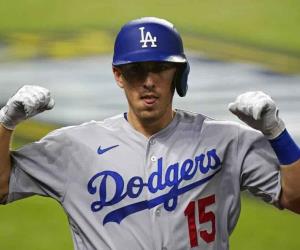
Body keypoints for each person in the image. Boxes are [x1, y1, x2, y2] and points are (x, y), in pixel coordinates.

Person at [0, 17, 299, 250]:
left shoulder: (228, 141)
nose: (148, 81)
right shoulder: (73, 147)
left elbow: (295, 199)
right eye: (136, 70)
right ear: (118, 75)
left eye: (159, 67)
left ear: (179, 74)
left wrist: (277, 133)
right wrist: (6, 124)